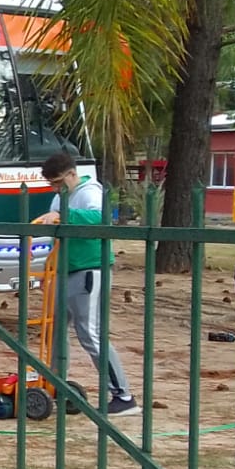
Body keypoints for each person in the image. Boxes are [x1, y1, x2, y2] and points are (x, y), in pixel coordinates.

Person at [34, 151, 139, 416]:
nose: (56, 188)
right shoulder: (60, 197)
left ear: (72, 174)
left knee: (90, 333)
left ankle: (123, 395)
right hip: (65, 270)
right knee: (56, 329)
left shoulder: (90, 191)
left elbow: (99, 219)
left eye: (59, 181)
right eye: (52, 184)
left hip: (89, 270)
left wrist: (63, 216)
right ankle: (54, 382)